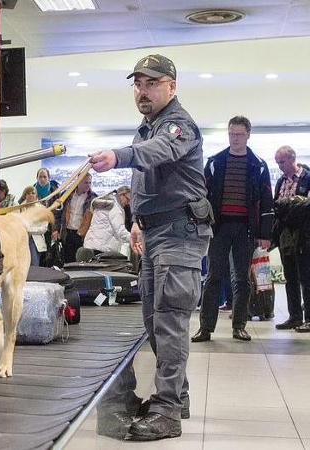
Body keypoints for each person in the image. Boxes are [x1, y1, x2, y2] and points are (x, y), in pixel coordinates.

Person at [90, 54, 211, 441]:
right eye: (138, 84)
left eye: (152, 84)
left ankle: (167, 410)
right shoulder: (148, 126)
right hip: (157, 233)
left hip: (180, 232)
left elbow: (159, 153)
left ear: (171, 86)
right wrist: (139, 221)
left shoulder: (177, 125)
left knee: (170, 321)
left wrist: (117, 157)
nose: (142, 91)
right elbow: (150, 180)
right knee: (153, 321)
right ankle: (178, 396)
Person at [191, 116, 273, 343]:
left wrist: (264, 234)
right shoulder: (215, 162)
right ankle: (206, 328)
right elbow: (203, 195)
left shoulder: (259, 165)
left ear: (248, 135)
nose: (235, 138)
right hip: (220, 227)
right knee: (213, 276)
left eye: (239, 134)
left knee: (242, 279)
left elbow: (266, 200)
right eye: (231, 134)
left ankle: (239, 325)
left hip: (245, 228)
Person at [272, 145, 310, 332]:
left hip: (304, 234)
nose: (279, 166)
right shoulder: (280, 181)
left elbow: (305, 208)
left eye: (282, 162)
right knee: (290, 277)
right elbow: (277, 207)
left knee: (306, 277)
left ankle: (309, 318)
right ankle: (294, 316)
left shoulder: (307, 178)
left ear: (292, 159)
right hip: (285, 234)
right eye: (277, 162)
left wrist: (290, 207)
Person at [53, 173, 96, 263]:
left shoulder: (93, 198)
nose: (88, 185)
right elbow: (57, 214)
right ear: (78, 182)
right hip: (67, 233)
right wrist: (55, 229)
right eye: (85, 183)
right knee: (67, 261)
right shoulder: (66, 195)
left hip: (82, 236)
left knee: (81, 262)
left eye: (90, 183)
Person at [83, 186, 132, 255]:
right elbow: (121, 232)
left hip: (90, 245)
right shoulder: (115, 208)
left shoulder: (104, 203)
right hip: (102, 248)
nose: (128, 203)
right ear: (121, 194)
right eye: (128, 199)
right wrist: (135, 239)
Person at [20, 186, 46, 266]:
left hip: (35, 241)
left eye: (33, 193)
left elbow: (44, 228)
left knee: (34, 266)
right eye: (28, 193)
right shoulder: (19, 208)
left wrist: (28, 230)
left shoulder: (42, 209)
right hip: (21, 240)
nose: (31, 195)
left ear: (36, 196)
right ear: (25, 195)